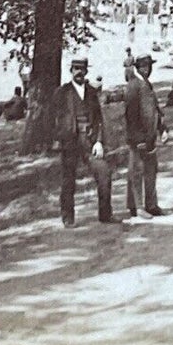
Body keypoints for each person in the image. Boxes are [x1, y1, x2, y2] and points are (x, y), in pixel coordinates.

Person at [53, 56, 115, 227]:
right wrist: (59, 138)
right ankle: (68, 217)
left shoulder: (92, 92)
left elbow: (99, 119)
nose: (79, 72)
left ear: (86, 71)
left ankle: (105, 214)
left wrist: (99, 141)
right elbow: (53, 119)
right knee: (68, 180)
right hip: (70, 142)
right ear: (71, 71)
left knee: (104, 173)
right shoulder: (62, 93)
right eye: (76, 69)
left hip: (90, 142)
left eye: (82, 69)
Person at [123, 54, 168, 217]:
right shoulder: (133, 85)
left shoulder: (147, 84)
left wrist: (162, 129)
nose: (146, 70)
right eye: (143, 67)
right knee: (137, 170)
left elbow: (156, 110)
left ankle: (151, 204)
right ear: (137, 68)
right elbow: (131, 115)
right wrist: (137, 138)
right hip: (139, 137)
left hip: (150, 136)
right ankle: (137, 207)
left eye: (148, 66)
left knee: (151, 170)